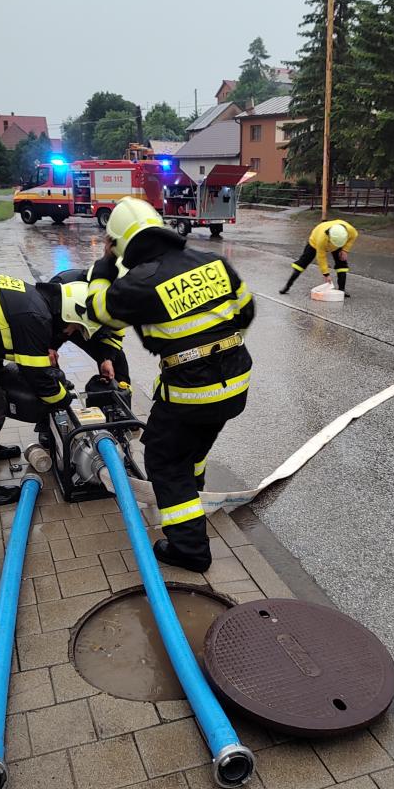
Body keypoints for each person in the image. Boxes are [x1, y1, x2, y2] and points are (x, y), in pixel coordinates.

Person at [86, 197, 254, 573]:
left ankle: (189, 549)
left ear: (121, 243)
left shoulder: (139, 283)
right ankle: (195, 496)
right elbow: (246, 310)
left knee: (165, 462)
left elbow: (97, 309)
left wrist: (105, 265)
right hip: (235, 381)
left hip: (193, 391)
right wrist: (218, 353)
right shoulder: (212, 262)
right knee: (193, 449)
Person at [0, 274, 93, 504]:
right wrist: (63, 399)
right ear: (68, 315)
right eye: (75, 327)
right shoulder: (37, 317)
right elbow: (37, 378)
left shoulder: (37, 302)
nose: (70, 333)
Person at [279, 220, 358, 296]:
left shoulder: (350, 230)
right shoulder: (321, 239)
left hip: (338, 242)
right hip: (314, 242)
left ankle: (342, 290)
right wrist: (326, 274)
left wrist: (345, 250)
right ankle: (287, 286)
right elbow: (321, 257)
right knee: (302, 263)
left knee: (342, 263)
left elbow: (354, 235)